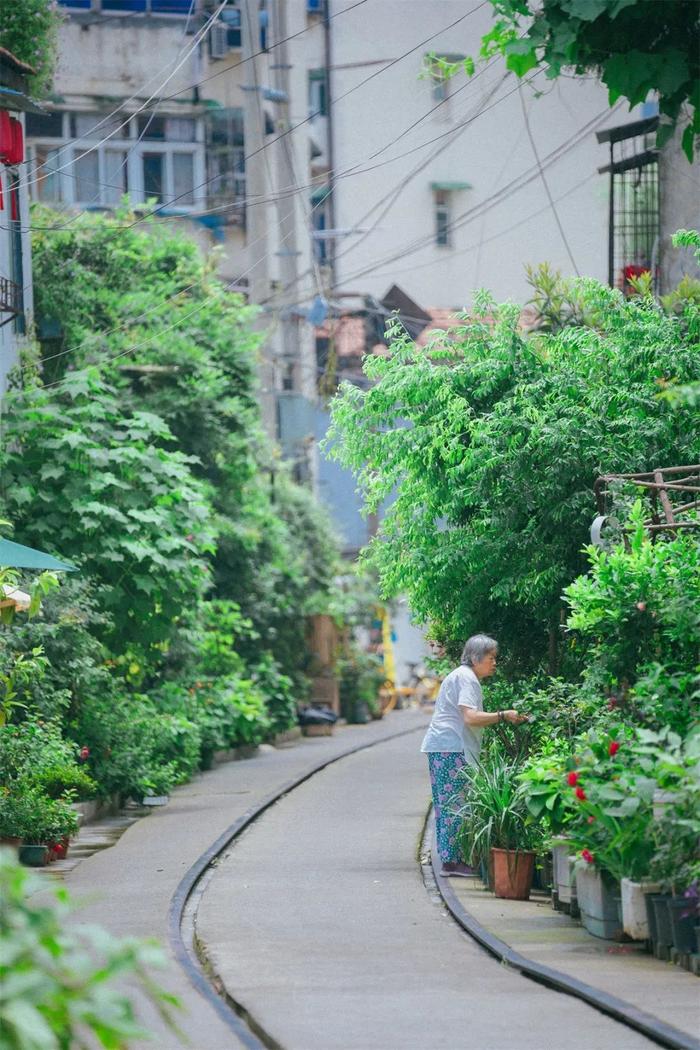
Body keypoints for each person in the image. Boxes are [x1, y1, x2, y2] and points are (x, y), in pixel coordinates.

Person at [420, 633, 527, 877]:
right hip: (450, 747)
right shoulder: (467, 679)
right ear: (476, 658)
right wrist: (503, 715)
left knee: (450, 802)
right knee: (454, 803)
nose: (494, 663)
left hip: (446, 746)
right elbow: (470, 717)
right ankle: (451, 861)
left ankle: (452, 859)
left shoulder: (463, 676)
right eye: (491, 658)